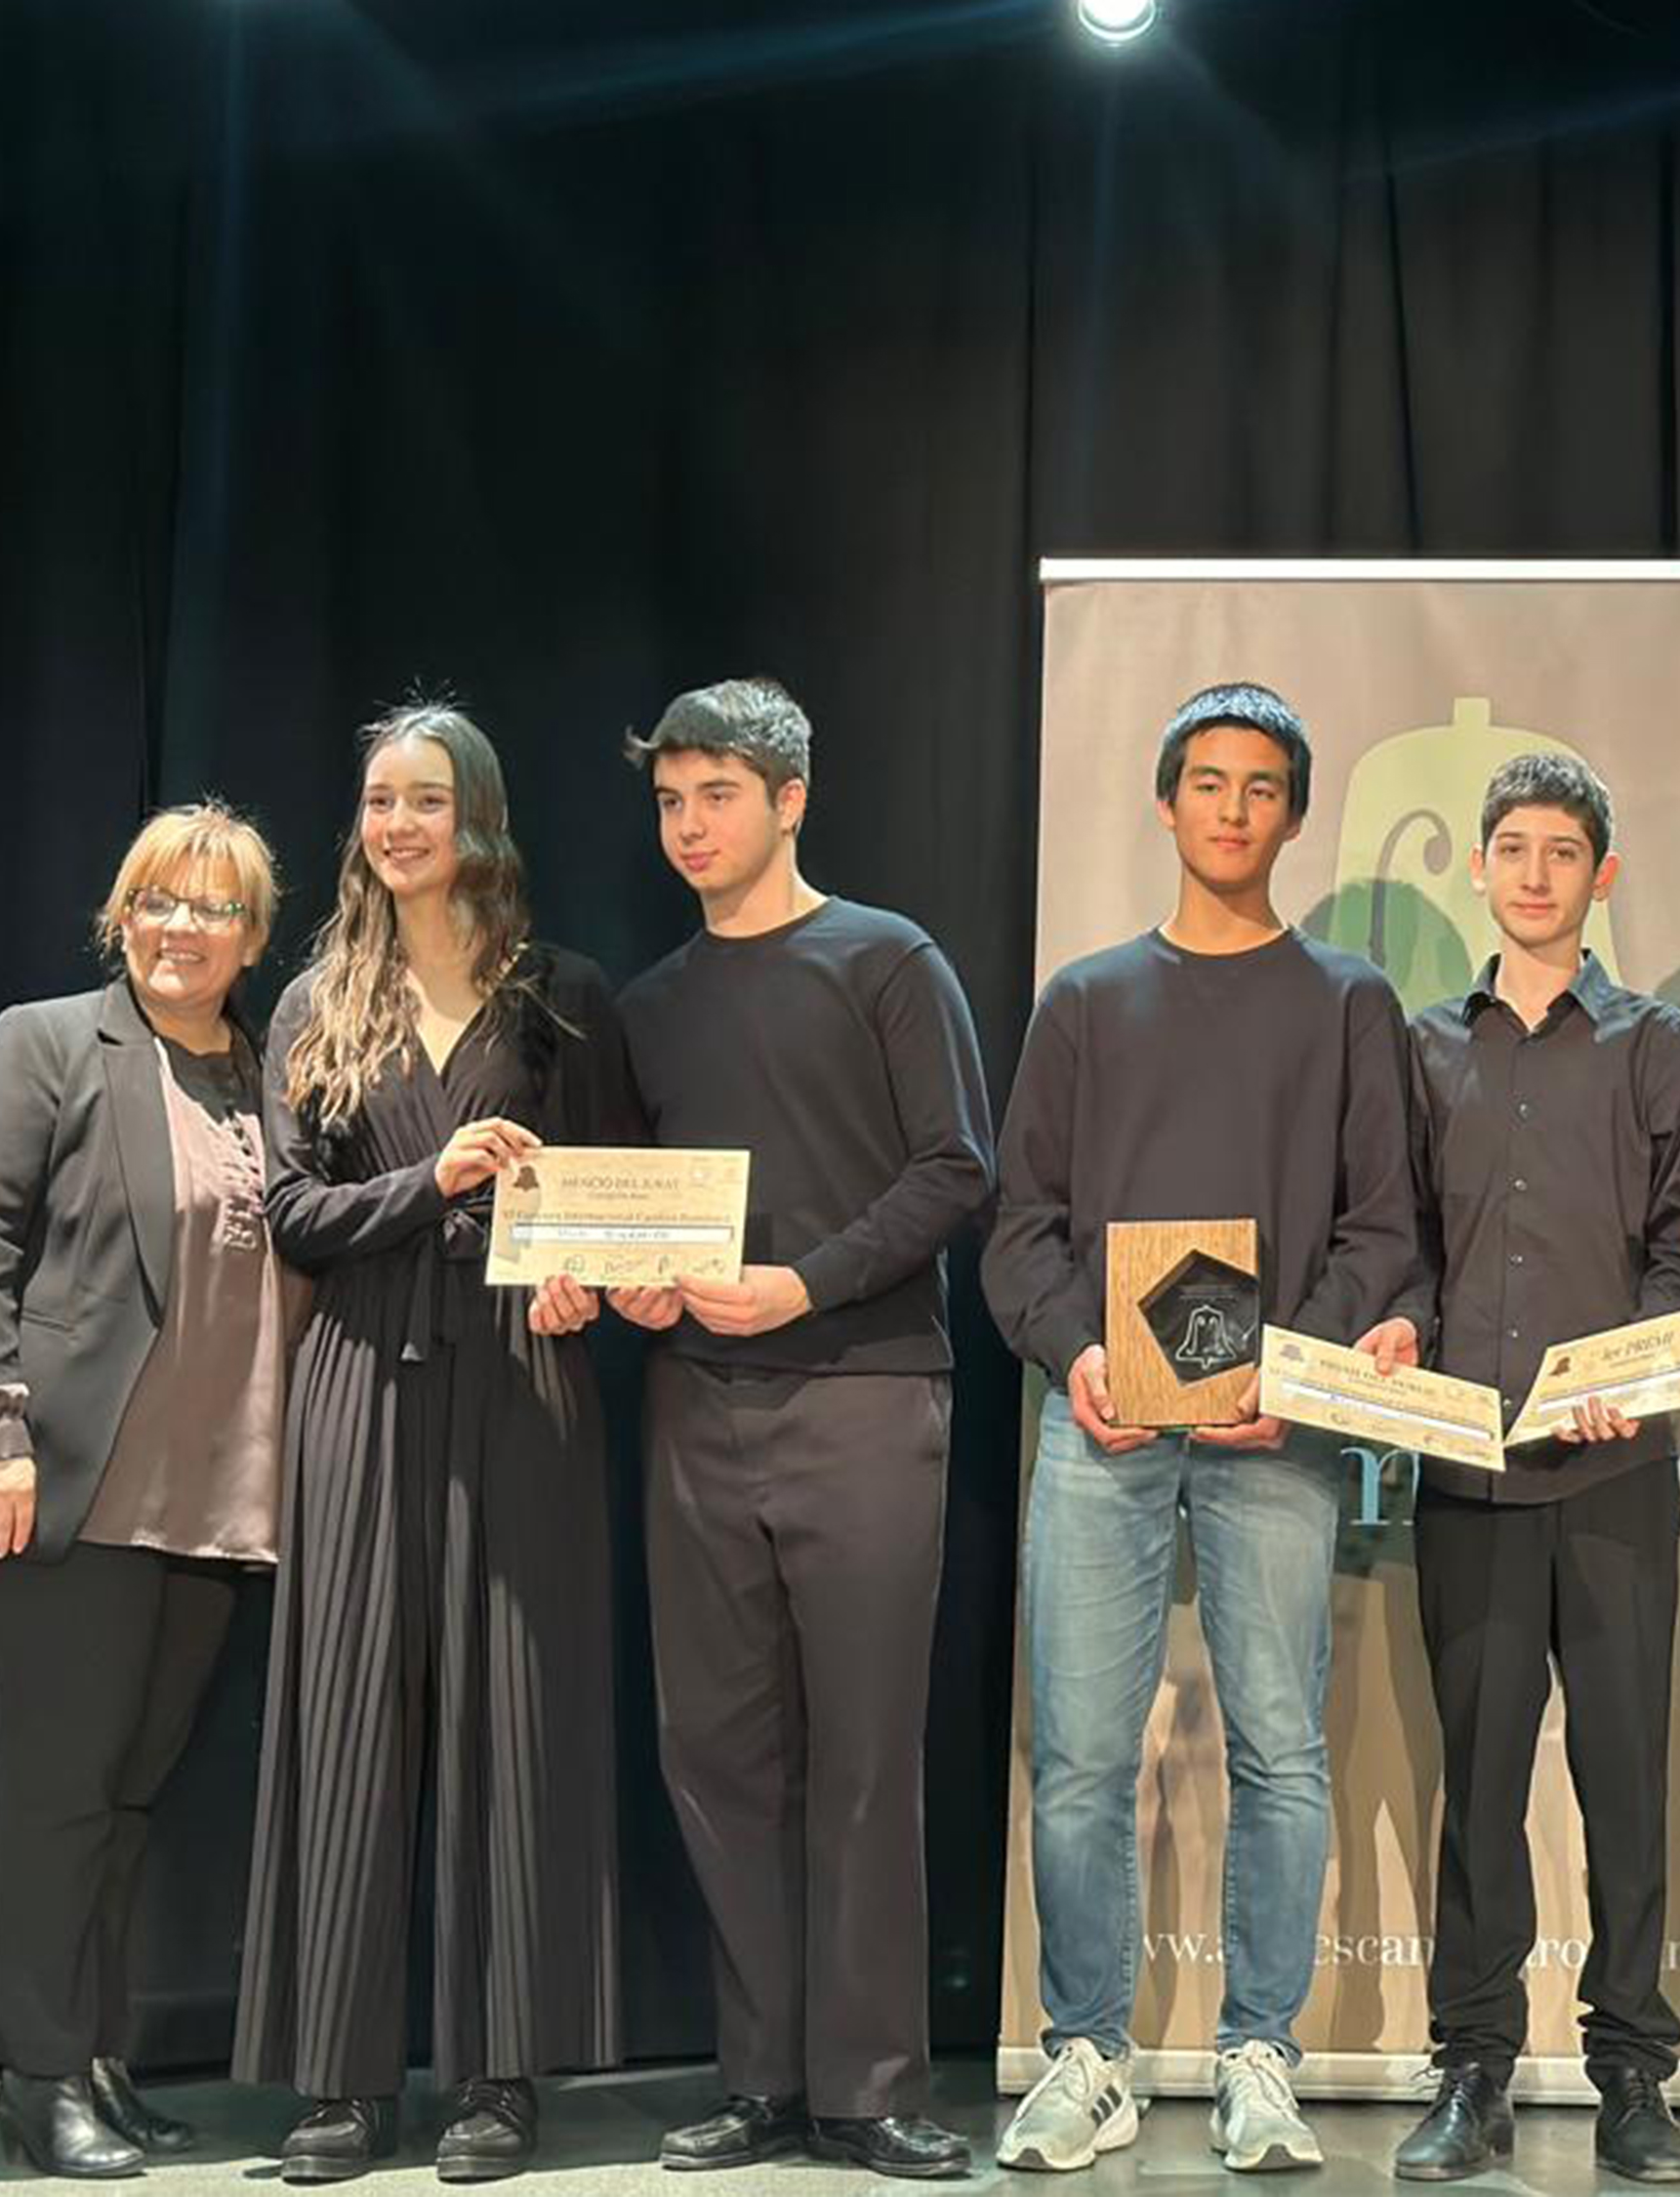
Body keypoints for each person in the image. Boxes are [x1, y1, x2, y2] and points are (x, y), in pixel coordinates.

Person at [982, 682, 1422, 2176]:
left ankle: (1259, 2054)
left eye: (1262, 788)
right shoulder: (1086, 999)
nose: (1233, 810)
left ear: (1294, 816)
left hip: (1271, 1425)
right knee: (1080, 1755)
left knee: (1282, 1749)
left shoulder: (1348, 1001)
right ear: (1164, 802)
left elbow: (1382, 1226)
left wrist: (1288, 1366)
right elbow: (1020, 1230)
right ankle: (1087, 2052)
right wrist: (1077, 1351)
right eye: (1210, 783)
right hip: (1103, 1422)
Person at [231, 704, 633, 2186]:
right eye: (380, 799)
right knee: (347, 1713)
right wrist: (434, 1179)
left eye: (427, 798)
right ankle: (341, 2082)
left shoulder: (561, 997)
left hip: (524, 1373)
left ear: (480, 818)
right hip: (362, 1375)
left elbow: (612, 1188)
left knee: (514, 1717)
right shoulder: (317, 1001)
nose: (398, 823)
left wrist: (585, 1270)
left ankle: (497, 2078)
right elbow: (292, 1214)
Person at [605, 680, 998, 2178]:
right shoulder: (649, 1005)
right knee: (717, 1749)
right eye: (669, 801)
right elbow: (629, 1202)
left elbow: (955, 1166)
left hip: (865, 1392)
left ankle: (871, 2085)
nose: (689, 825)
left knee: (864, 1751)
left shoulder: (887, 959)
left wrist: (805, 1282)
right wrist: (635, 1281)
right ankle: (761, 2077)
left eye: (717, 794)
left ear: (791, 799)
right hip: (696, 1403)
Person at [0, 805, 302, 2179]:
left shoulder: (274, 1078)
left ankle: (97, 2056)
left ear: (254, 935)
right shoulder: (48, 1042)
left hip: (221, 1500)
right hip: (62, 1487)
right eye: (157, 900)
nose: (181, 927)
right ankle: (39, 2075)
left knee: (128, 1799)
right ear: (120, 914)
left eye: (214, 907)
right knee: (62, 1791)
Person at [1358, 754, 1680, 2186]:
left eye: (1564, 851)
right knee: (1482, 1779)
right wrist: (1395, 1317)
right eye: (1514, 848)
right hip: (1469, 1471)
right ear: (1481, 868)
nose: (1537, 873)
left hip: (1613, 1471)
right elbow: (1397, 1236)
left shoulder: (1657, 1043)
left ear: (1601, 874)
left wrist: (1638, 1366)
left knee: (1626, 1780)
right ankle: (1473, 2068)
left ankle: (1632, 2073)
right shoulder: (1422, 1045)